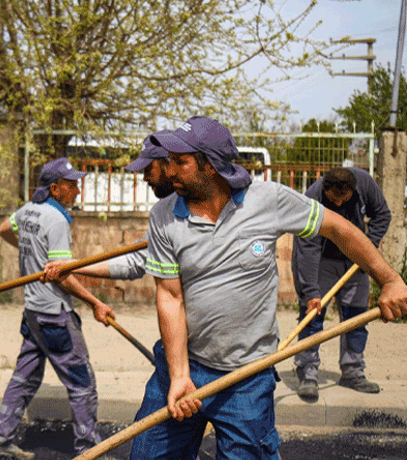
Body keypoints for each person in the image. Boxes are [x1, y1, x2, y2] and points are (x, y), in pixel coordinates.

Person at [127, 116, 407, 460]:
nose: (169, 171)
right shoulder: (164, 217)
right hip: (183, 366)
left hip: (247, 376)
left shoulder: (268, 199)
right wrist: (180, 375)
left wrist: (390, 279)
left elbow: (339, 230)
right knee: (148, 455)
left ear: (210, 166)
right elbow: (170, 296)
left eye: (180, 162)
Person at [0, 157, 117, 460]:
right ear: (56, 188)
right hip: (55, 315)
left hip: (32, 312)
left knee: (24, 378)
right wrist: (96, 302)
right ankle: (89, 450)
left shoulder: (28, 210)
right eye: (73, 186)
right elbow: (63, 278)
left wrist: (27, 252)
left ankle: (0, 441)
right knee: (82, 383)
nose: (78, 192)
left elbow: (4, 229)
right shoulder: (57, 220)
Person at [292, 167, 391, 401]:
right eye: (332, 199)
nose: (336, 203)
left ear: (352, 191)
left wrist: (368, 245)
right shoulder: (312, 198)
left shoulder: (365, 184)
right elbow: (307, 249)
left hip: (356, 260)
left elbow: (382, 215)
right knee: (313, 315)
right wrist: (311, 291)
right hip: (322, 260)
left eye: (342, 199)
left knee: (356, 317)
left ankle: (353, 372)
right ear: (325, 188)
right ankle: (307, 373)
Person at [43, 130, 174, 283]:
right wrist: (71, 265)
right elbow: (134, 262)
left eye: (149, 168)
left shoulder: (197, 207)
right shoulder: (164, 213)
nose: (145, 177)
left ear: (169, 164)